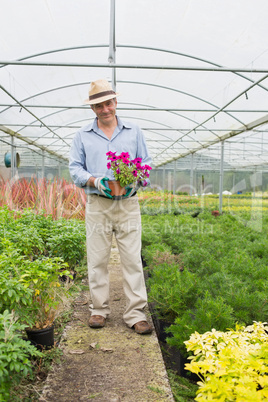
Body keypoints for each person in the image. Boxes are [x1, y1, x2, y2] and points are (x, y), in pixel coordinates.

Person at [69, 79, 153, 335]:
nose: (104, 109)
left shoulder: (134, 131)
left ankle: (135, 314)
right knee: (97, 259)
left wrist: (135, 180)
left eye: (108, 103)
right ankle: (98, 309)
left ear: (115, 102)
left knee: (132, 260)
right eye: (98, 105)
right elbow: (75, 169)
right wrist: (96, 180)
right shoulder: (82, 135)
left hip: (128, 203)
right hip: (98, 204)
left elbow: (145, 164)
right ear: (92, 108)